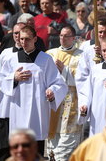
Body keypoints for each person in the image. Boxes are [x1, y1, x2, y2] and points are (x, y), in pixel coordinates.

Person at [0, 25, 68, 155]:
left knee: (36, 147)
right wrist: (14, 77)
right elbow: (1, 79)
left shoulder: (45, 59)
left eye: (28, 39)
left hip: (38, 110)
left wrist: (52, 91)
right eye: (22, 39)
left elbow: (59, 83)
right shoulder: (11, 59)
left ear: (35, 39)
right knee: (19, 146)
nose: (24, 42)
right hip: (17, 109)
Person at [0, 23, 26, 161]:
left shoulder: (33, 55)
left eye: (21, 33)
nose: (18, 36)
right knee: (3, 142)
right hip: (7, 104)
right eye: (15, 33)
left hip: (23, 105)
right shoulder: (5, 53)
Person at [45, 25, 84, 161]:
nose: (62, 38)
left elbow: (83, 80)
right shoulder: (50, 54)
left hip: (71, 102)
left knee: (66, 147)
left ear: (73, 38)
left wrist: (64, 70)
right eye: (61, 35)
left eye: (66, 36)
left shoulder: (81, 56)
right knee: (52, 142)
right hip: (53, 101)